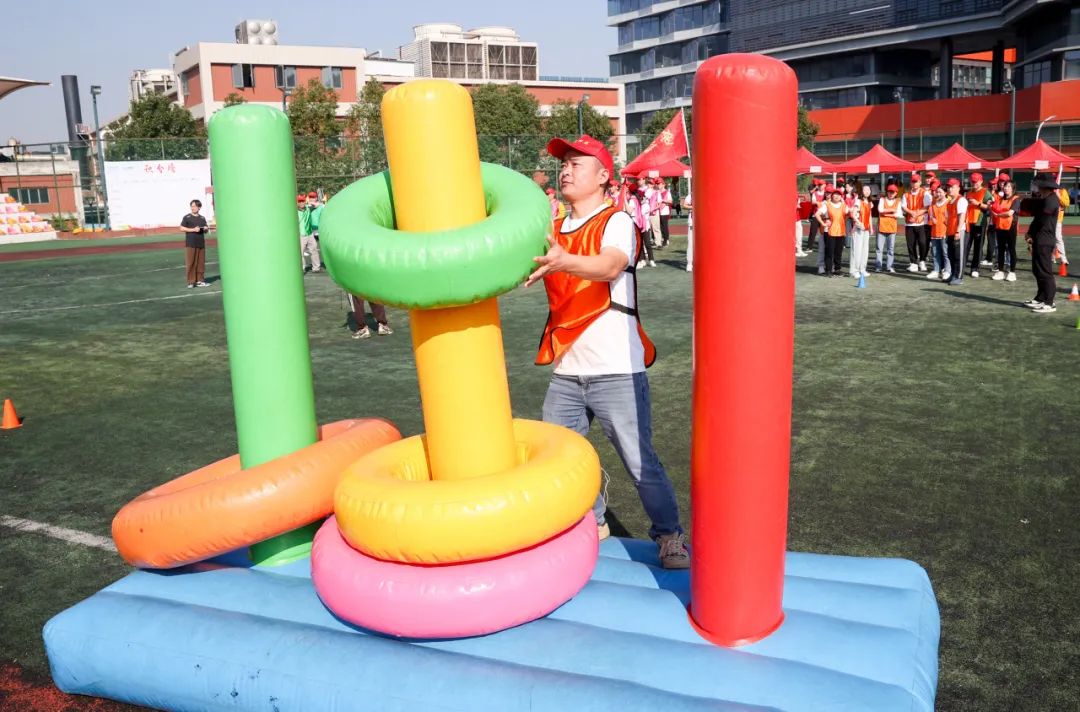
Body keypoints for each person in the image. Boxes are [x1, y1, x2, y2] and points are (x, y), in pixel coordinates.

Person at [527, 134, 689, 569]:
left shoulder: (616, 220)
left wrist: (563, 260)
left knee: (639, 462)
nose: (565, 170)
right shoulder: (551, 227)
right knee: (558, 458)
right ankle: (594, 519)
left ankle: (669, 535)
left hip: (617, 367)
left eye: (576, 164)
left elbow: (610, 265)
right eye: (563, 164)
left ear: (603, 176)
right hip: (566, 370)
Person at [1024, 173, 1063, 313]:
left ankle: (1049, 302)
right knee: (1037, 270)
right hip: (1040, 239)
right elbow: (1037, 220)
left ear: (1044, 186)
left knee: (1045, 272)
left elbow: (1042, 221)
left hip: (1044, 240)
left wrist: (1032, 235)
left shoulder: (1051, 200)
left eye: (1038, 185)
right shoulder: (1045, 199)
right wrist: (1030, 233)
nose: (1036, 187)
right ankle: (1040, 298)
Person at [990, 180, 1019, 282]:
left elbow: (1010, 213)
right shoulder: (1000, 199)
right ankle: (1000, 271)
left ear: (1013, 188)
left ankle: (1012, 272)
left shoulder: (1016, 199)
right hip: (1000, 226)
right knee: (1001, 249)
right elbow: (994, 208)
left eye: (1009, 186)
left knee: (1011, 249)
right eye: (1005, 186)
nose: (1006, 188)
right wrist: (991, 206)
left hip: (1011, 227)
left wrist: (998, 215)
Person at [903, 172, 931, 272]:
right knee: (911, 244)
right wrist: (912, 213)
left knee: (923, 243)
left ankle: (922, 260)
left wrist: (916, 214)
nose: (914, 184)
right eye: (913, 182)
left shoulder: (925, 193)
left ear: (920, 182)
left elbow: (926, 206)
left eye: (916, 182)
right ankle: (913, 262)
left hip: (922, 223)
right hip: (909, 223)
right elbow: (904, 206)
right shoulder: (906, 194)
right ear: (910, 183)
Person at [816, 187, 847, 277]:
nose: (837, 196)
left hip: (840, 231)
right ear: (832, 196)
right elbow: (817, 214)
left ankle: (837, 269)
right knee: (829, 251)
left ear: (841, 196)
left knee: (838, 252)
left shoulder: (843, 205)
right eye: (835, 194)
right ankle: (828, 270)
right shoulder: (827, 205)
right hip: (830, 231)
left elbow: (849, 213)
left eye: (839, 195)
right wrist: (823, 223)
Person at [965, 173, 990, 278]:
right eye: (972, 181)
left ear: (981, 181)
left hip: (979, 223)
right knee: (966, 245)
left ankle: (975, 268)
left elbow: (990, 207)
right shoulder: (969, 192)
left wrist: (978, 203)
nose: (974, 183)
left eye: (976, 181)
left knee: (978, 246)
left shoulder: (985, 192)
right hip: (968, 222)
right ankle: (962, 266)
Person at [944, 178, 969, 285]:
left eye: (952, 187)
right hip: (950, 231)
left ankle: (959, 276)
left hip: (959, 232)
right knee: (951, 255)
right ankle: (953, 274)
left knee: (959, 255)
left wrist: (958, 232)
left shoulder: (961, 200)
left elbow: (961, 217)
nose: (949, 189)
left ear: (958, 188)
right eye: (948, 187)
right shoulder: (950, 201)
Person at [180, 199, 210, 288]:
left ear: (199, 207)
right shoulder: (187, 217)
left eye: (194, 206)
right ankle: (191, 282)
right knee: (191, 262)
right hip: (191, 243)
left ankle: (200, 280)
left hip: (201, 243)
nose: (192, 208)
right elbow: (181, 228)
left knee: (201, 263)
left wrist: (206, 229)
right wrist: (193, 229)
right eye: (191, 206)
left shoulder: (202, 218)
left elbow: (205, 229)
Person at [927, 181, 951, 281]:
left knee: (946, 253)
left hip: (944, 232)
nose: (938, 194)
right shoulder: (933, 204)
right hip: (934, 232)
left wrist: (947, 222)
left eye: (940, 192)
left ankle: (947, 271)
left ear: (945, 193)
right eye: (937, 192)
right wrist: (932, 219)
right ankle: (936, 270)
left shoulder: (948, 203)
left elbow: (950, 219)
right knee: (935, 253)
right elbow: (930, 217)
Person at [876, 182, 902, 273]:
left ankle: (890, 266)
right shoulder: (882, 199)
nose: (891, 193)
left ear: (896, 193)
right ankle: (878, 266)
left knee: (890, 249)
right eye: (890, 191)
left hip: (892, 228)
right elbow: (880, 210)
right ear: (887, 192)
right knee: (879, 249)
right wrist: (892, 211)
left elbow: (899, 214)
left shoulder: (898, 201)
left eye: (893, 192)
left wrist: (885, 213)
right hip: (882, 227)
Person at [849, 184, 873, 279]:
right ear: (861, 191)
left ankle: (862, 269)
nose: (867, 191)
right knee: (857, 250)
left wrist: (871, 227)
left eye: (868, 190)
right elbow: (853, 214)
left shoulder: (869, 203)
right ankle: (854, 271)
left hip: (866, 229)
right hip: (858, 229)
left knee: (865, 250)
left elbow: (869, 216)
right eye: (865, 189)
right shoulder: (858, 201)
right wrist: (859, 223)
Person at [635, 177, 657, 267]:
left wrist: (642, 200)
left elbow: (646, 200)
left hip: (645, 218)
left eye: (641, 179)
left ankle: (651, 259)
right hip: (637, 218)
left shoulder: (649, 190)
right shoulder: (635, 191)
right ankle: (642, 259)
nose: (640, 181)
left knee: (647, 241)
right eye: (638, 180)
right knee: (639, 241)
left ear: (644, 180)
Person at [298, 194, 322, 273]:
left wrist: (309, 202)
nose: (301, 203)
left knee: (314, 250)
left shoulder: (308, 208)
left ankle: (316, 267)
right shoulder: (294, 211)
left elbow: (318, 205)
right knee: (300, 253)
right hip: (301, 235)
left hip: (310, 234)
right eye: (299, 201)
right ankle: (302, 268)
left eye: (302, 201)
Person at [1055, 185, 1070, 270]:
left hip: (1057, 219)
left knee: (1058, 238)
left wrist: (1058, 196)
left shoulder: (1062, 191)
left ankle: (1063, 259)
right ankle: (1051, 257)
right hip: (1046, 218)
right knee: (1047, 238)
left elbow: (1066, 203)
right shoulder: (1047, 189)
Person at [657, 178, 673, 248]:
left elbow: (670, 201)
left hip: (665, 211)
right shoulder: (657, 192)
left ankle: (666, 240)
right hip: (658, 211)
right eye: (658, 184)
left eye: (659, 184)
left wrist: (663, 200)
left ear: (663, 185)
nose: (658, 185)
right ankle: (662, 239)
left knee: (664, 227)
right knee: (660, 226)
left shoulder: (667, 192)